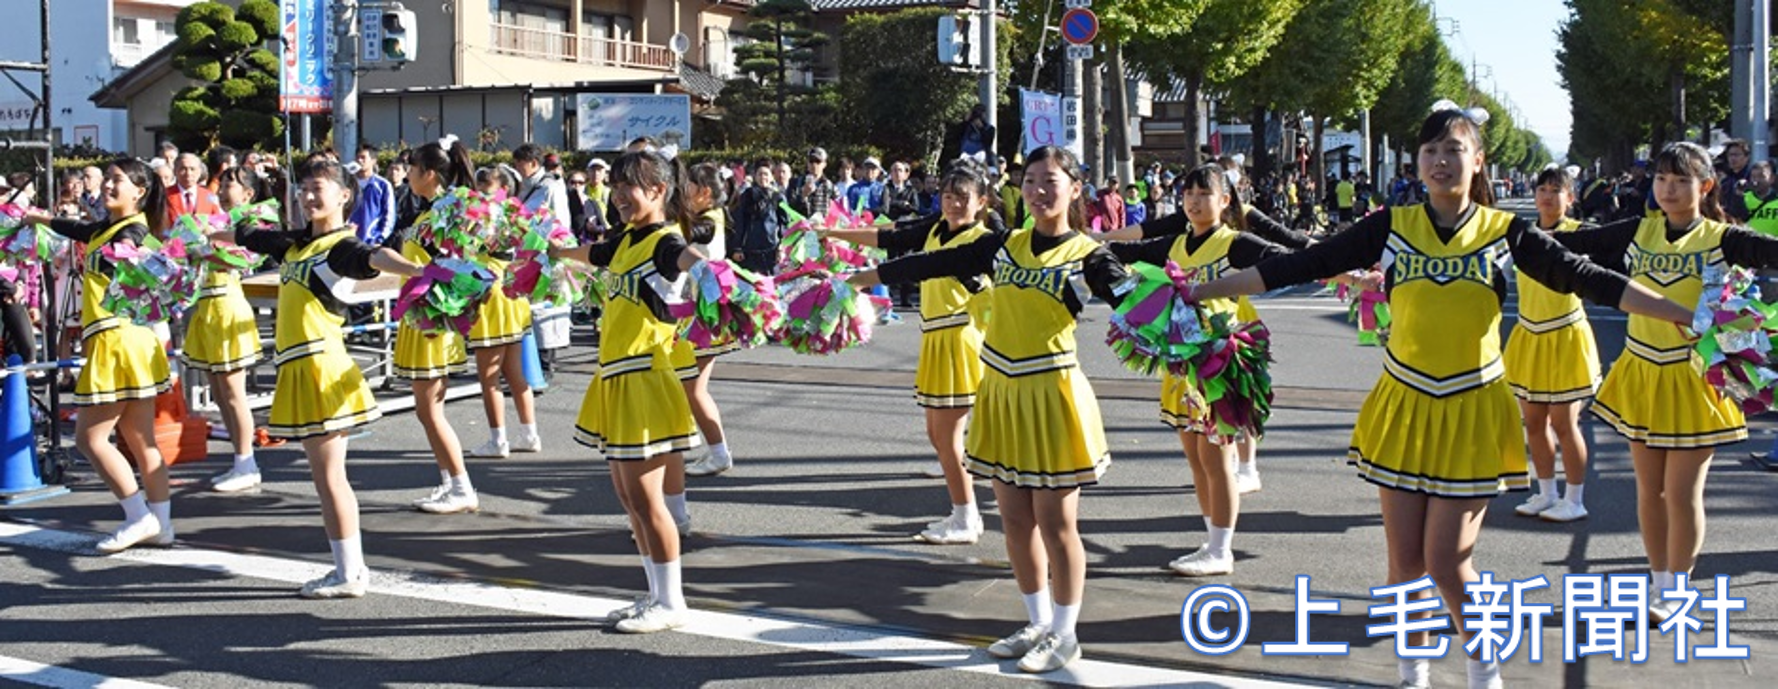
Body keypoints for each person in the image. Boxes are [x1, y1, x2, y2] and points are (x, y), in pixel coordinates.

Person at [1187, 106, 1691, 689]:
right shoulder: (1390, 225)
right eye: (1430, 150)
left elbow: (1588, 277)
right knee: (1404, 563)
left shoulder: (1506, 232)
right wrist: (1201, 291)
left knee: (1448, 561)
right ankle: (1413, 674)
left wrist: (1681, 312)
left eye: (1454, 149)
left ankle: (1484, 671)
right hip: (1404, 404)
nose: (1440, 161)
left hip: (1473, 408)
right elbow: (1303, 264)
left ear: (1478, 161)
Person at [846, 145, 1128, 673]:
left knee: (1056, 523)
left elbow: (1139, 304)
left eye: (1050, 181)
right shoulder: (1002, 245)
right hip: (1000, 391)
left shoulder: (1088, 255)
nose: (1038, 191)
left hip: (1051, 393)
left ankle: (1065, 633)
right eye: (1030, 181)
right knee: (1015, 520)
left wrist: (1185, 326)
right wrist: (854, 281)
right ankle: (1037, 622)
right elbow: (929, 262)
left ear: (1074, 188)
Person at [1552, 141, 1778, 624]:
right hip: (1641, 370)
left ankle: (1678, 589)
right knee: (1649, 491)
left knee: (1681, 493)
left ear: (1706, 185)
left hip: (1695, 377)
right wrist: (1509, 233)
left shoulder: (1723, 238)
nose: (1669, 189)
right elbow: (1574, 245)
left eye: (1681, 180)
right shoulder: (1639, 230)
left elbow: (1771, 252)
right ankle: (1659, 585)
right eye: (1661, 179)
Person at [219, 155, 429, 598]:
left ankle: (349, 572)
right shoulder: (295, 245)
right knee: (326, 476)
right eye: (304, 188)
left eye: (318, 188)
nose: (308, 196)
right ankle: (347, 569)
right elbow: (247, 235)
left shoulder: (340, 247)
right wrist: (193, 240)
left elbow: (374, 256)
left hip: (321, 367)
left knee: (330, 476)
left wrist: (417, 271)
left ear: (344, 195)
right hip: (300, 367)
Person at [1103, 164, 1294, 576]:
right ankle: (1211, 541)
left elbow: (1291, 261)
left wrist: (1350, 276)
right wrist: (1081, 241)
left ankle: (1222, 550)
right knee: (1196, 460)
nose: (1194, 201)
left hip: (1217, 366)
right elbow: (1125, 252)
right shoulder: (1174, 244)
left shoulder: (1235, 243)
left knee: (1217, 460)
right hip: (1179, 368)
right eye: (1188, 193)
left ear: (1224, 200)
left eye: (1204, 193)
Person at [551, 149, 708, 634]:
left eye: (628, 187)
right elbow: (590, 254)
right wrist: (551, 252)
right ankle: (655, 594)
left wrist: (711, 273)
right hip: (617, 377)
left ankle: (672, 601)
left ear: (658, 190)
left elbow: (689, 257)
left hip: (645, 378)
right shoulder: (624, 242)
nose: (618, 196)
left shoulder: (663, 241)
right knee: (628, 499)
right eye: (615, 186)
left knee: (646, 501)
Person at [823, 160, 1001, 544]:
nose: (953, 204)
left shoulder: (984, 242)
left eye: (963, 197)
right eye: (947, 196)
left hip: (960, 339)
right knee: (938, 435)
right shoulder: (936, 227)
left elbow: (915, 266)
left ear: (981, 201)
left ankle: (965, 517)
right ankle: (965, 508)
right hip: (935, 337)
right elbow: (891, 237)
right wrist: (832, 232)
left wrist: (857, 279)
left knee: (948, 438)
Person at [26, 159, 175, 553]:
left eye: (117, 180)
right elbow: (78, 229)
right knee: (140, 440)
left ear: (139, 191)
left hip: (117, 340)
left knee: (89, 439)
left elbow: (143, 261)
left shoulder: (134, 232)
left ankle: (138, 516)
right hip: (127, 340)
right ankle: (162, 524)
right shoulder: (109, 228)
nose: (108, 185)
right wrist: (38, 218)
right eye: (106, 178)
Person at [1502, 165, 1599, 524]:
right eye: (1542, 189)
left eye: (1556, 190)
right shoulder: (1522, 234)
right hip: (1529, 333)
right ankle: (1546, 492)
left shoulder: (1581, 235)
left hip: (1565, 334)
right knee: (1533, 422)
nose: (1547, 196)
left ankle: (1575, 498)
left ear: (1570, 198)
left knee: (1565, 423)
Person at [392, 136, 479, 513]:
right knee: (426, 411)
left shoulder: (446, 211)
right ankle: (448, 483)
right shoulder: (430, 212)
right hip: (420, 319)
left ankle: (461, 486)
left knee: (430, 411)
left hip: (431, 322)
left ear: (429, 173)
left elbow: (456, 267)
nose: (407, 174)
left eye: (412, 168)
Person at [188, 167, 271, 493]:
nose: (222, 190)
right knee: (220, 394)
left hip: (227, 305)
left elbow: (243, 259)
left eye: (230, 185)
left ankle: (247, 462)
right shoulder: (211, 222)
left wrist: (206, 247)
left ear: (248, 194)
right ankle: (240, 460)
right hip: (206, 307)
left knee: (234, 394)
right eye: (221, 184)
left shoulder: (249, 224)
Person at [464, 163, 541, 459]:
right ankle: (529, 434)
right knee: (515, 373)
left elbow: (469, 246)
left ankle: (498, 440)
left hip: (491, 291)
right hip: (512, 287)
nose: (482, 194)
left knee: (490, 377)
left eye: (487, 188)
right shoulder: (518, 215)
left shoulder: (489, 215)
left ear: (504, 189)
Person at [679, 164, 740, 484]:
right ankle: (711, 449)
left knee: (693, 388)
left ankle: (718, 452)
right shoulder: (707, 216)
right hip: (697, 312)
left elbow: (688, 236)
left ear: (704, 191)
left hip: (703, 316)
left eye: (687, 185)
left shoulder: (708, 221)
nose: (682, 191)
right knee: (688, 387)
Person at [729, 162, 787, 275]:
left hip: (772, 250)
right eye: (760, 174)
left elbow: (784, 224)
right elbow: (739, 222)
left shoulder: (778, 197)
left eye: (766, 174)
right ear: (755, 176)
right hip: (750, 251)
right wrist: (737, 247)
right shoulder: (746, 196)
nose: (763, 177)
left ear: (772, 177)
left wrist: (782, 246)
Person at [349, 146, 397, 245]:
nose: (359, 160)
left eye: (363, 157)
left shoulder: (383, 185)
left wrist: (380, 239)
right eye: (357, 157)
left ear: (373, 161)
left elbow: (389, 214)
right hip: (349, 240)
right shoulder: (348, 183)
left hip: (372, 242)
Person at [513, 144, 572, 222]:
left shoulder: (551, 187)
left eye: (519, 164)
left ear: (533, 163)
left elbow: (561, 221)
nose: (516, 168)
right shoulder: (518, 186)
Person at [166, 153, 221, 229]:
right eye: (183, 169)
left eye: (192, 169)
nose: (188, 173)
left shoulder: (210, 196)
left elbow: (218, 222)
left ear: (199, 172)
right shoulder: (164, 195)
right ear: (175, 171)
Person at [787, 147, 836, 217]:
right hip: (802, 223)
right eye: (811, 161)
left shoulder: (830, 186)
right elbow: (790, 209)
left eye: (818, 161)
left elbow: (837, 211)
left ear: (824, 164)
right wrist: (803, 196)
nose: (814, 164)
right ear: (807, 163)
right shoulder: (795, 183)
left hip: (822, 223)